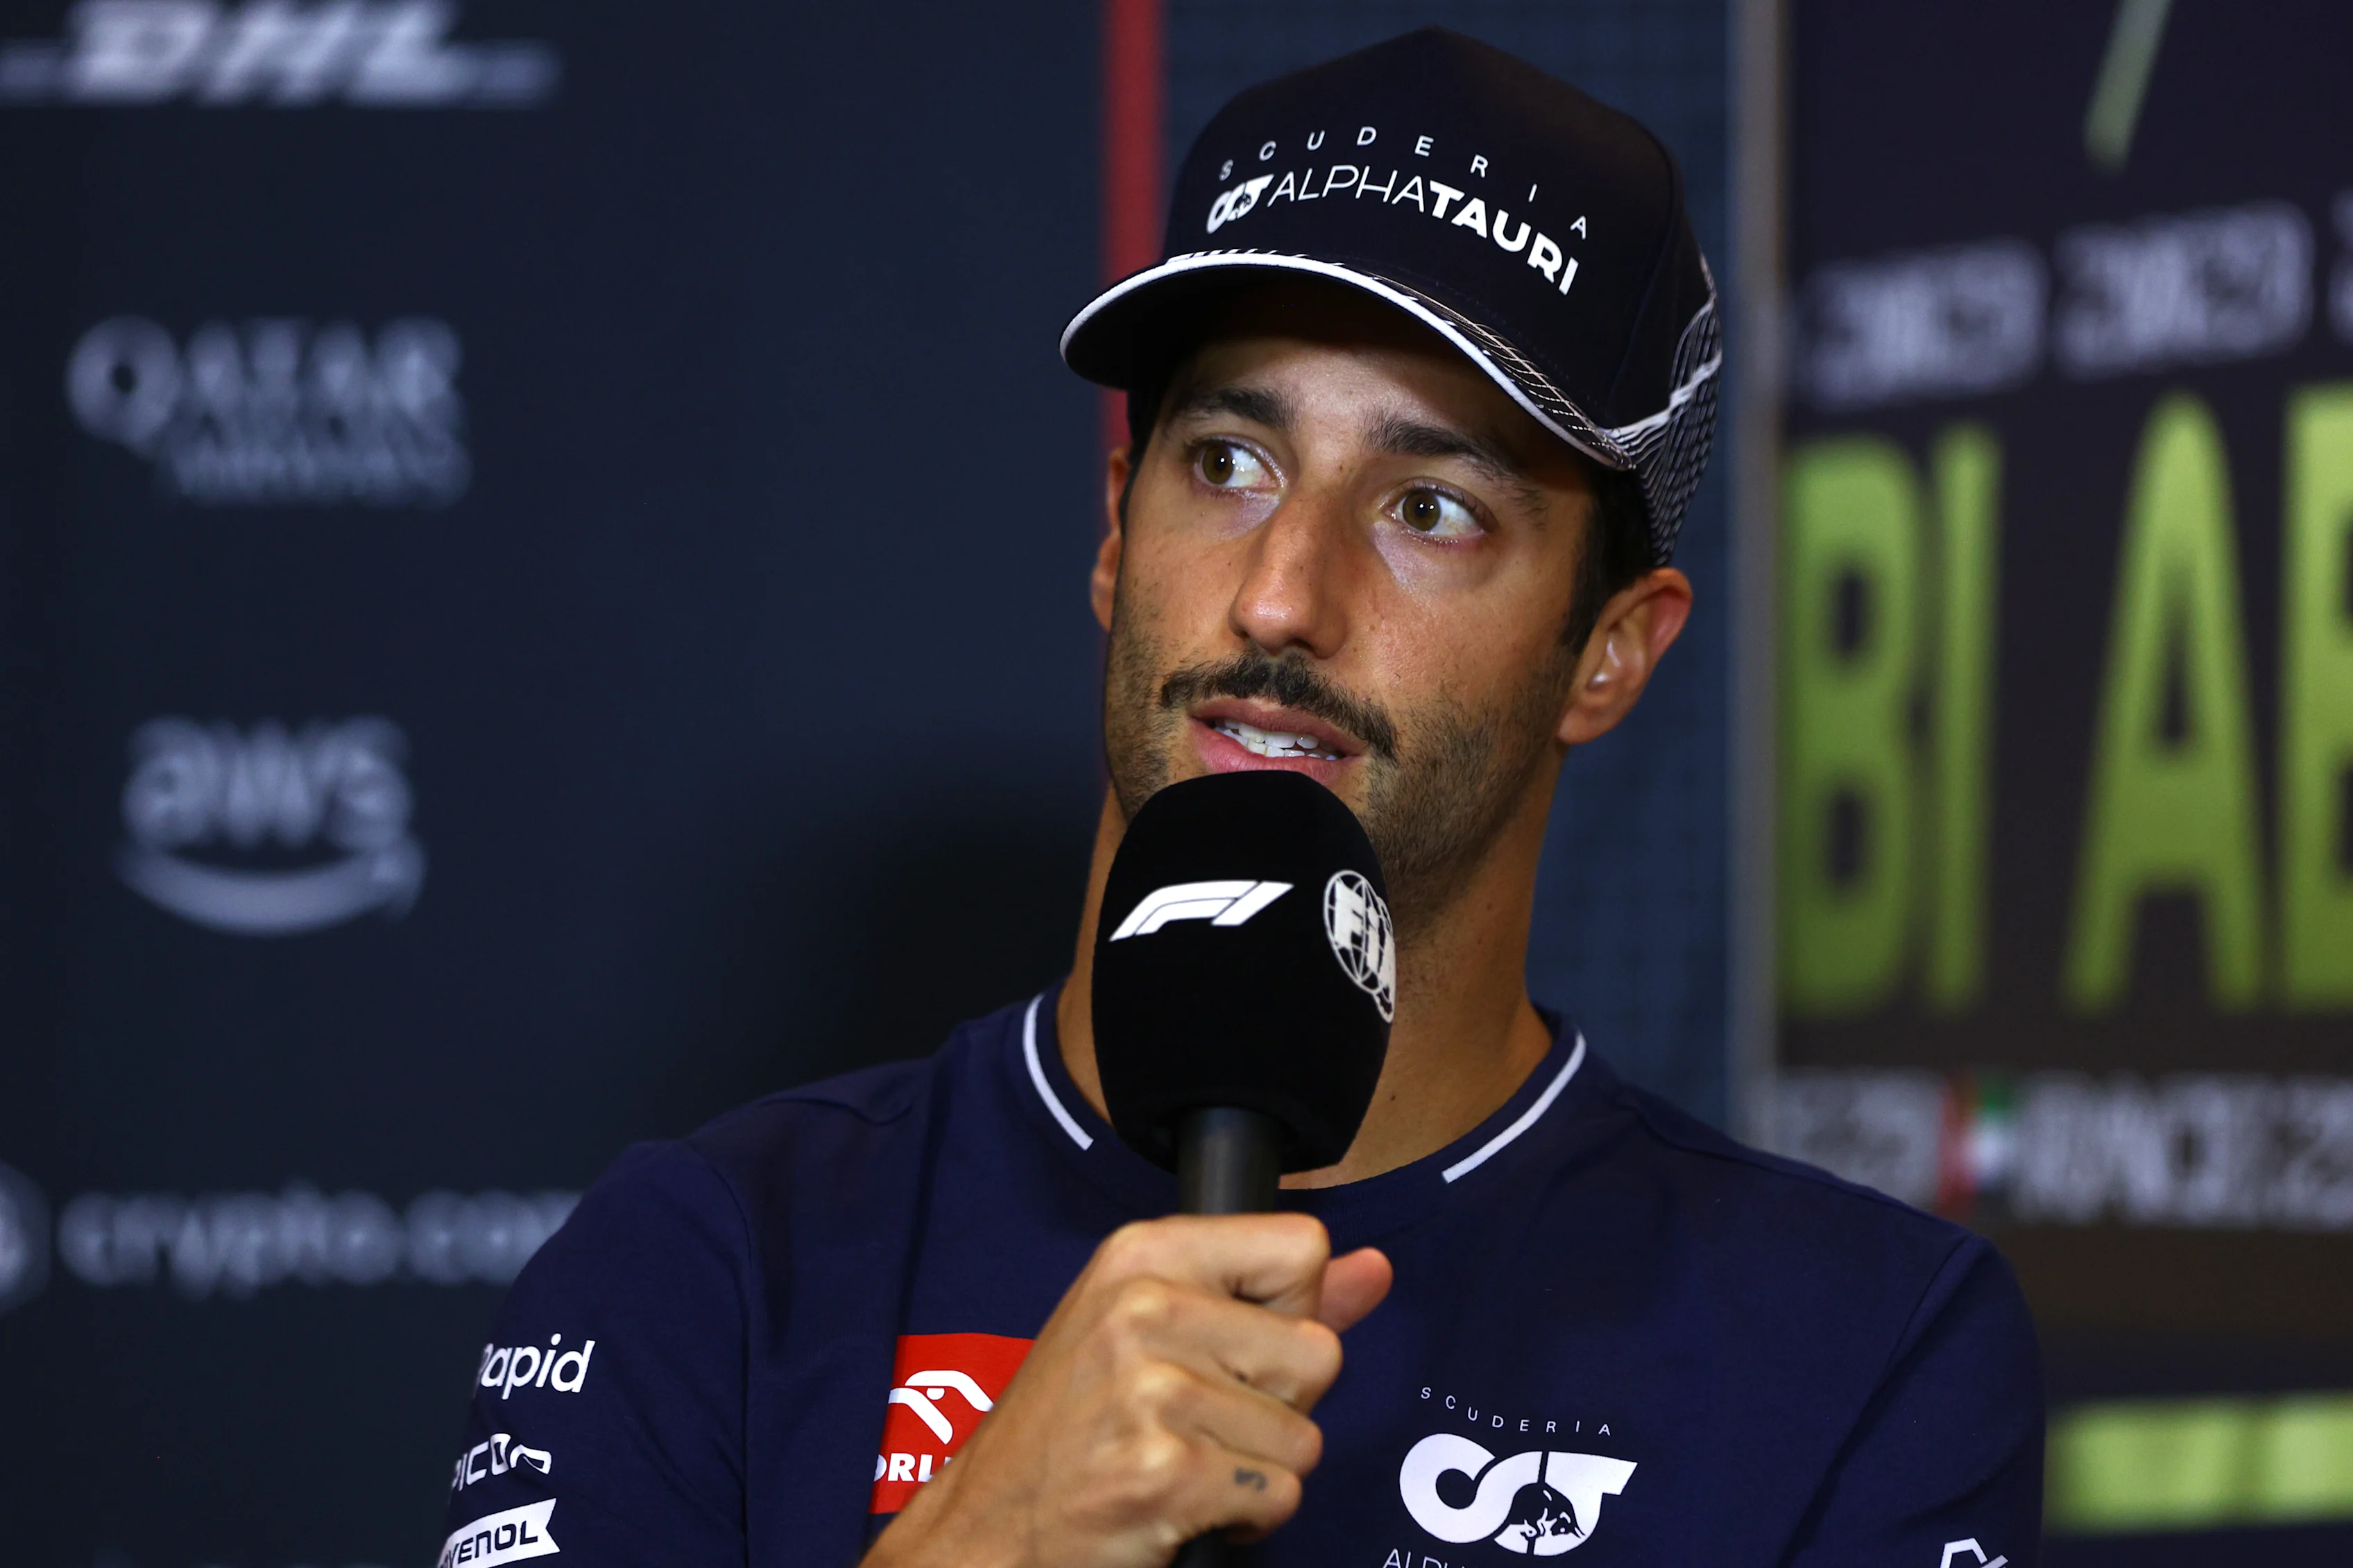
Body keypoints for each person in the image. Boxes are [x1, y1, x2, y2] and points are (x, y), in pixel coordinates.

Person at [436, 28, 2042, 1568]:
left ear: (1608, 653)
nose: (1282, 594)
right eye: (1226, 463)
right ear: (1114, 536)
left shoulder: (1860, 1353)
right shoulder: (715, 1261)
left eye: (1428, 506)